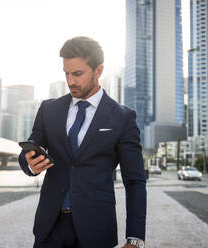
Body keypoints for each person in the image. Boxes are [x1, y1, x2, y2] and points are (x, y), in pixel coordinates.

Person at [19, 36, 146, 248]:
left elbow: (134, 181)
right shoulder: (48, 109)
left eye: (77, 74)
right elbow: (31, 147)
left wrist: (135, 238)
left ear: (98, 71)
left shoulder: (123, 118)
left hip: (95, 231)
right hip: (49, 228)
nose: (70, 81)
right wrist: (29, 162)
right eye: (66, 73)